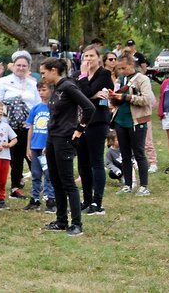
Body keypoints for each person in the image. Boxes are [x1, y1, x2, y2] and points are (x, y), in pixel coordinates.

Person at [40, 58, 94, 237]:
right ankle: (61, 220)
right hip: (53, 138)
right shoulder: (57, 89)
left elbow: (89, 108)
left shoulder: (69, 87)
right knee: (55, 180)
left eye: (43, 72)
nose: (43, 76)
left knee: (68, 182)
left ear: (54, 70)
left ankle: (77, 223)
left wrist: (79, 131)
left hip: (65, 139)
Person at [0, 50, 41, 199]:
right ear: (13, 66)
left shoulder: (33, 83)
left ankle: (40, 185)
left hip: (28, 125)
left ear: (28, 67)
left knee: (33, 156)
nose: (21, 68)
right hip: (10, 125)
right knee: (15, 157)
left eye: (24, 65)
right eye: (18, 65)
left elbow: (37, 103)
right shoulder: (4, 81)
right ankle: (15, 186)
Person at [74, 44, 113, 215]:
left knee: (96, 161)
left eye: (91, 56)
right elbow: (77, 94)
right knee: (82, 162)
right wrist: (92, 94)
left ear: (99, 58)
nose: (88, 59)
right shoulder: (78, 75)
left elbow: (85, 91)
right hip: (80, 122)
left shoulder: (104, 74)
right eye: (85, 56)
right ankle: (87, 199)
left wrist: (85, 82)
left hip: (97, 122)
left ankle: (97, 202)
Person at [110, 55, 156, 196]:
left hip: (137, 121)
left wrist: (127, 97)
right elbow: (117, 98)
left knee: (139, 154)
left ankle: (144, 186)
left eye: (124, 67)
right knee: (125, 154)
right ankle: (128, 185)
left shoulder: (143, 79)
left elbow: (147, 99)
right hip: (120, 120)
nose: (122, 70)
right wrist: (113, 97)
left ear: (132, 64)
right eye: (120, 68)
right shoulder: (120, 80)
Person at [23, 81, 56, 213]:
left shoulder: (53, 108)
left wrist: (49, 144)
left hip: (46, 146)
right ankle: (35, 199)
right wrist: (28, 147)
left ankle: (50, 198)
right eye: (40, 91)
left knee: (48, 174)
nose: (42, 93)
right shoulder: (36, 108)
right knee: (36, 174)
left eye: (44, 90)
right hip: (35, 146)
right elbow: (30, 128)